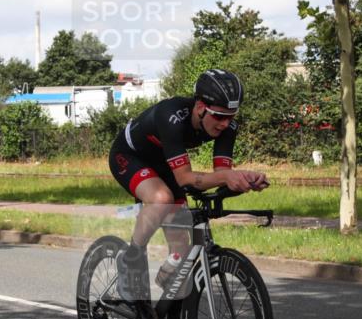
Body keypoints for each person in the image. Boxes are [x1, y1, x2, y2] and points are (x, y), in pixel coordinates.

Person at [108, 69, 268, 303]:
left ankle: (168, 306)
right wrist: (229, 177)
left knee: (181, 250)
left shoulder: (227, 127)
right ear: (201, 107)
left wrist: (245, 180)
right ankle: (130, 257)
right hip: (130, 156)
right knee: (161, 198)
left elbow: (222, 175)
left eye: (231, 117)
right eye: (219, 116)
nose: (225, 124)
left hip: (166, 163)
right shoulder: (171, 115)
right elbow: (185, 178)